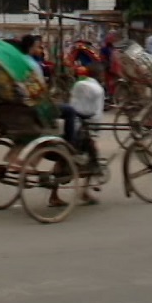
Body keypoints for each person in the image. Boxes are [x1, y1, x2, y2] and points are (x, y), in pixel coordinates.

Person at [53, 66, 104, 206]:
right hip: (79, 125)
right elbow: (97, 114)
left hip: (68, 123)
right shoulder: (97, 89)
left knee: (62, 157)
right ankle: (85, 191)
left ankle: (55, 195)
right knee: (93, 152)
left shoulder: (78, 85)